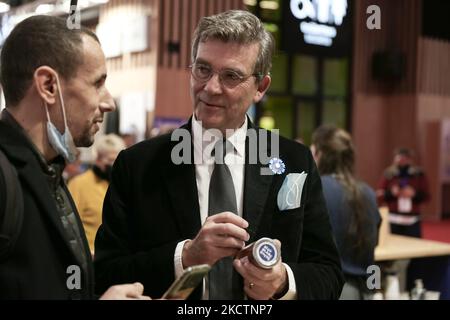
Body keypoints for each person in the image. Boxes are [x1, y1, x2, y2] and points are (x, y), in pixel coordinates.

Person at [94, 10, 344, 300]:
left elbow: (328, 273)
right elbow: (105, 275)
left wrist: (282, 281)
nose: (211, 88)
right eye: (202, 69)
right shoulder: (137, 165)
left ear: (260, 87)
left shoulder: (293, 161)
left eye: (231, 76)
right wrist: (186, 256)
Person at [0, 15, 149, 300]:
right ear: (48, 86)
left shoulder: (49, 172)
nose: (109, 102)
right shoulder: (6, 179)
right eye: (97, 83)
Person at [311, 125, 381, 300]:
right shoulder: (368, 193)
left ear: (319, 154)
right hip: (366, 288)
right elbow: (374, 241)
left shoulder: (315, 189)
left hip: (332, 290)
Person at [68, 134, 125, 254]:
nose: (114, 165)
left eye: (118, 160)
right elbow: (69, 226)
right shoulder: (79, 184)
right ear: (98, 158)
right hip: (90, 256)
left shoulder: (120, 185)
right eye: (110, 160)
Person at [376, 147, 430, 238]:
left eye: (405, 159)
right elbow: (379, 194)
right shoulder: (389, 174)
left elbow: (427, 196)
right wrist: (391, 193)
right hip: (393, 219)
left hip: (412, 220)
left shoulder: (418, 174)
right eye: (399, 158)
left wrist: (414, 194)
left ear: (410, 160)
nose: (402, 161)